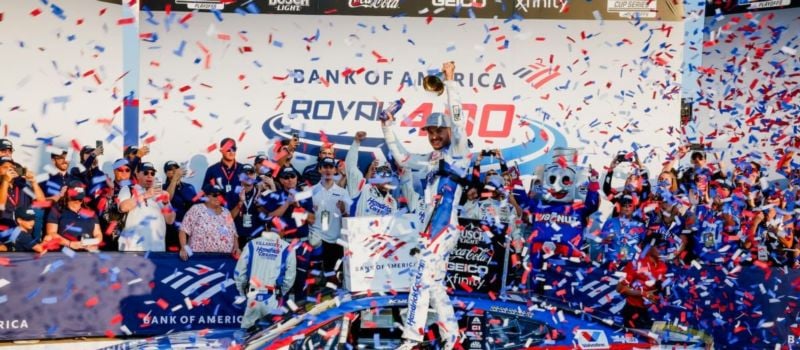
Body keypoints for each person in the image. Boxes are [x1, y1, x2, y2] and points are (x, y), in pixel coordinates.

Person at [384, 61, 464, 350]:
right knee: (435, 285)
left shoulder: (459, 150)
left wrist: (451, 82)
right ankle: (452, 338)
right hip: (434, 230)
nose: (434, 136)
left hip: (442, 228)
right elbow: (402, 158)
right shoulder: (430, 159)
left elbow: (458, 120)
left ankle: (412, 338)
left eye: (438, 131)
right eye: (430, 131)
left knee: (420, 280)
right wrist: (387, 126)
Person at [262, 166, 315, 301]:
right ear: (280, 180)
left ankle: (300, 309)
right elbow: (270, 217)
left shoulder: (305, 195)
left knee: (301, 277)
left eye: (292, 176)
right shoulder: (275, 195)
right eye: (286, 177)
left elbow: (311, 219)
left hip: (302, 242)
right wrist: (287, 203)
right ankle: (281, 311)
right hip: (283, 242)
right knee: (282, 277)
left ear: (297, 178)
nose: (290, 180)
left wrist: (297, 205)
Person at [235, 227, 296, 331]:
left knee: (245, 338)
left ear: (267, 228)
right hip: (272, 297)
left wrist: (242, 293)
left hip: (253, 296)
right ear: (282, 230)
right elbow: (290, 277)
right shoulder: (288, 247)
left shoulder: (251, 244)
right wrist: (282, 293)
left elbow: (240, 272)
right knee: (272, 337)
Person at [345, 131, 408, 216]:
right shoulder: (363, 188)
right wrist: (356, 142)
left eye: (388, 174)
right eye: (382, 174)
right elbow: (350, 166)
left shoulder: (392, 202)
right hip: (359, 228)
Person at [117, 162, 176, 252]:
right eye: (145, 173)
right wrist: (146, 195)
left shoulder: (159, 193)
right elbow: (123, 207)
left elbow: (170, 220)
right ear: (137, 174)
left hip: (157, 248)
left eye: (152, 173)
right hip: (133, 248)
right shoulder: (128, 189)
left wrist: (166, 202)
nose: (149, 176)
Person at [311, 157, 351, 285]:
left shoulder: (343, 192)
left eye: (330, 167)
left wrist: (344, 211)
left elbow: (349, 219)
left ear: (335, 170)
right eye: (325, 167)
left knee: (333, 279)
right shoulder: (310, 191)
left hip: (335, 239)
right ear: (319, 169)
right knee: (315, 280)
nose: (328, 170)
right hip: (317, 239)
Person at [179, 184, 240, 260]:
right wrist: (184, 248)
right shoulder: (196, 209)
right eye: (214, 195)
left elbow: (233, 233)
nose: (218, 198)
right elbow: (183, 230)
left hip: (224, 259)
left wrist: (236, 248)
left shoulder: (226, 212)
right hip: (199, 258)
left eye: (220, 195)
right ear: (206, 196)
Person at [616, 237, 667, 329]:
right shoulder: (635, 264)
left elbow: (662, 288)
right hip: (633, 311)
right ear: (649, 247)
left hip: (653, 314)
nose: (663, 249)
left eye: (664, 246)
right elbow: (619, 288)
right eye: (659, 247)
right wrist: (644, 294)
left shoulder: (663, 266)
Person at [44, 180, 102, 252]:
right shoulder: (57, 210)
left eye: (80, 198)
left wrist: (93, 243)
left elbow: (98, 233)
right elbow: (51, 233)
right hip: (65, 253)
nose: (78, 201)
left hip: (87, 254)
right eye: (75, 199)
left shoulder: (91, 212)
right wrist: (70, 244)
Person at [0, 157, 45, 231]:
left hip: (24, 231)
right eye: (5, 167)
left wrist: (33, 182)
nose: (10, 169)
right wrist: (5, 181)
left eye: (12, 167)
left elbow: (42, 203)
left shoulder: (22, 187)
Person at [163, 161, 198, 251]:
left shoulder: (189, 187)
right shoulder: (162, 188)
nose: (174, 171)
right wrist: (174, 180)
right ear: (166, 173)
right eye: (170, 169)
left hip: (187, 229)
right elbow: (167, 198)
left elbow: (196, 208)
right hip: (170, 230)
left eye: (176, 168)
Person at [231, 164, 267, 249]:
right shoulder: (232, 193)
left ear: (255, 175)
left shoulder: (262, 193)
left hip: (258, 238)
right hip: (238, 240)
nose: (248, 176)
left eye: (251, 173)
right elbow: (228, 218)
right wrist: (240, 203)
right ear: (239, 176)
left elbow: (267, 217)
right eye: (245, 174)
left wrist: (258, 204)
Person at [202, 137, 244, 210]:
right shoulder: (212, 170)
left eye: (233, 149)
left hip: (240, 211)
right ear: (221, 151)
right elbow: (205, 192)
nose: (231, 152)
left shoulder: (243, 169)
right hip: (219, 213)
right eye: (228, 149)